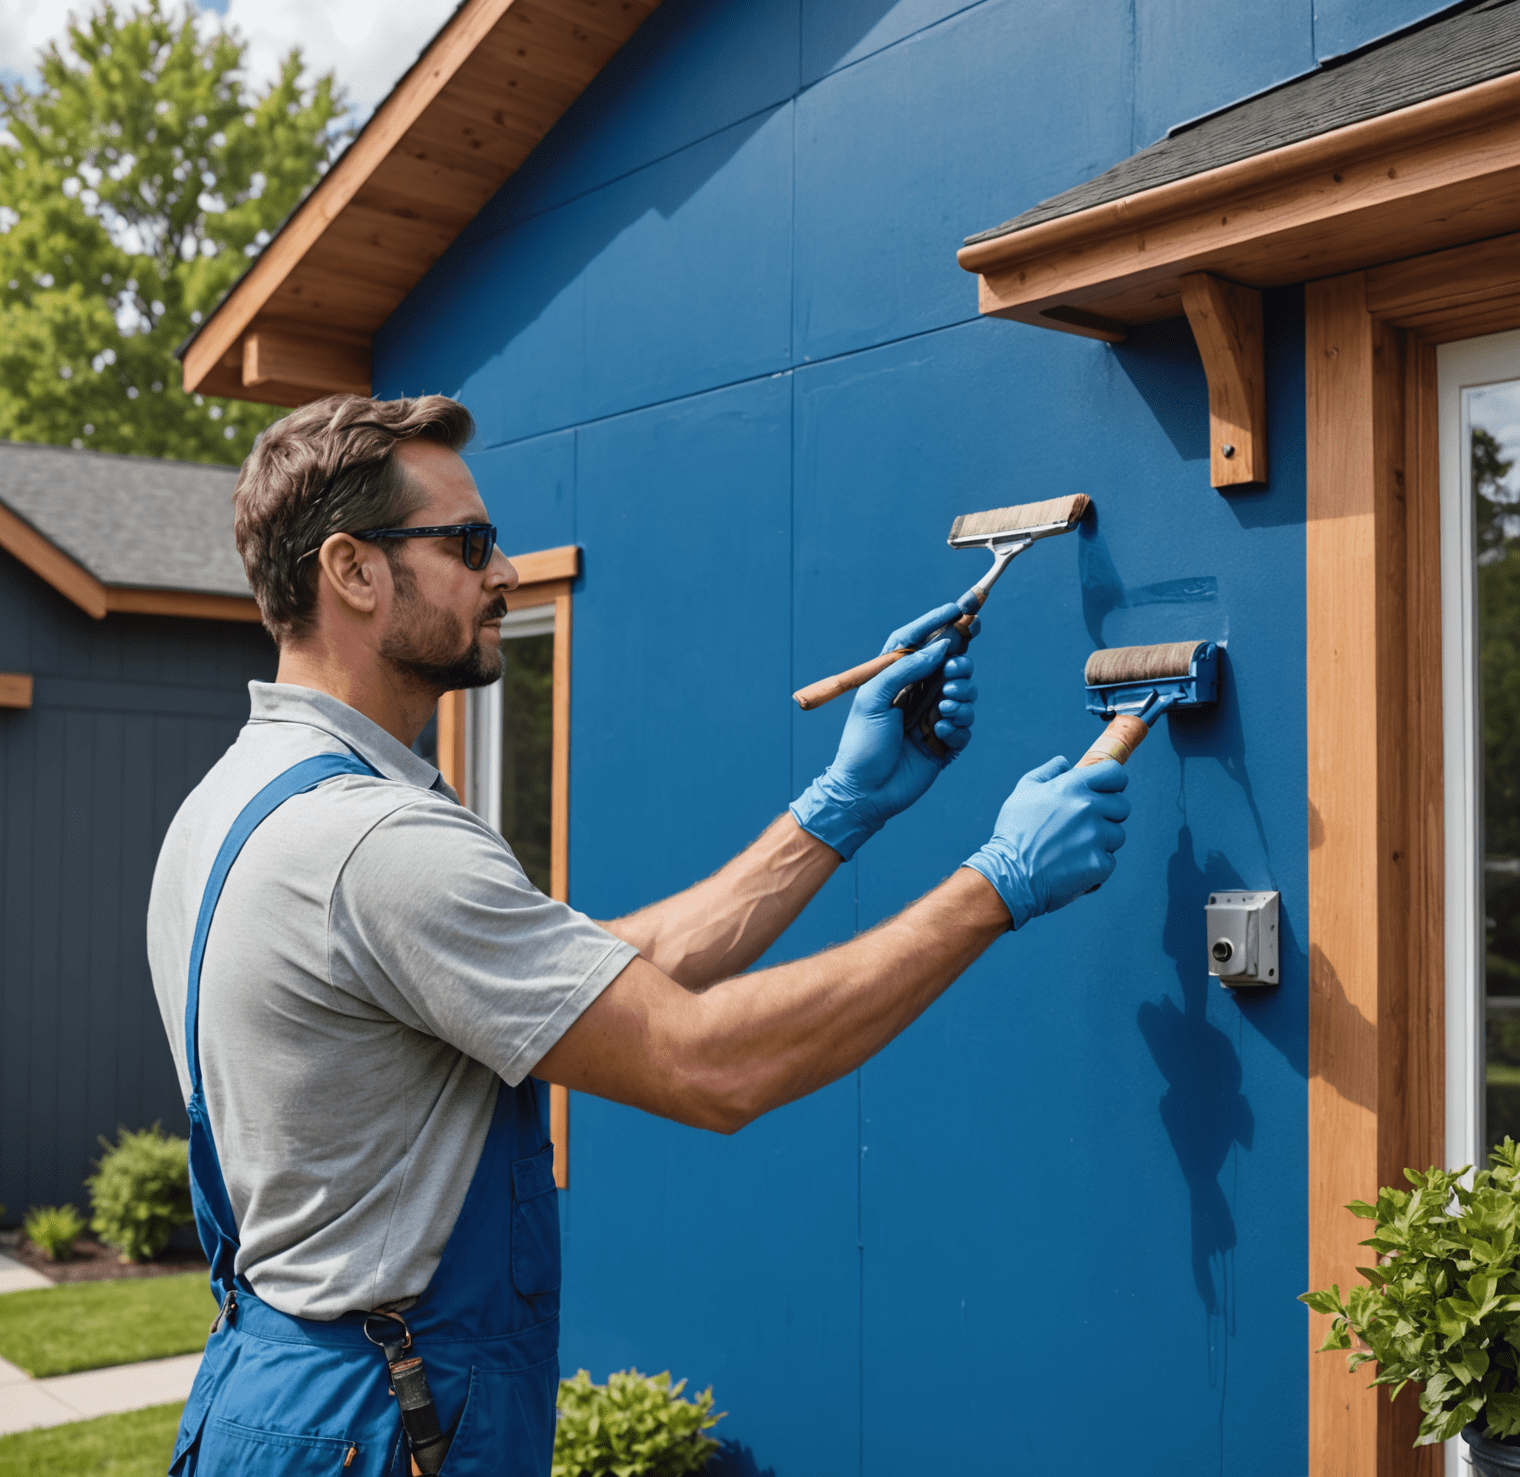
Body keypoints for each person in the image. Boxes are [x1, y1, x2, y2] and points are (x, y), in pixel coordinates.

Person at [148, 393, 1129, 1476]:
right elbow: (709, 1062)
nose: (506, 572)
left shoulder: (233, 808)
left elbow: (590, 979)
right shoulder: (375, 842)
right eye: (469, 544)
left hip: (276, 1392)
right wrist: (998, 885)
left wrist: (842, 806)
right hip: (380, 1427)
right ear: (354, 571)